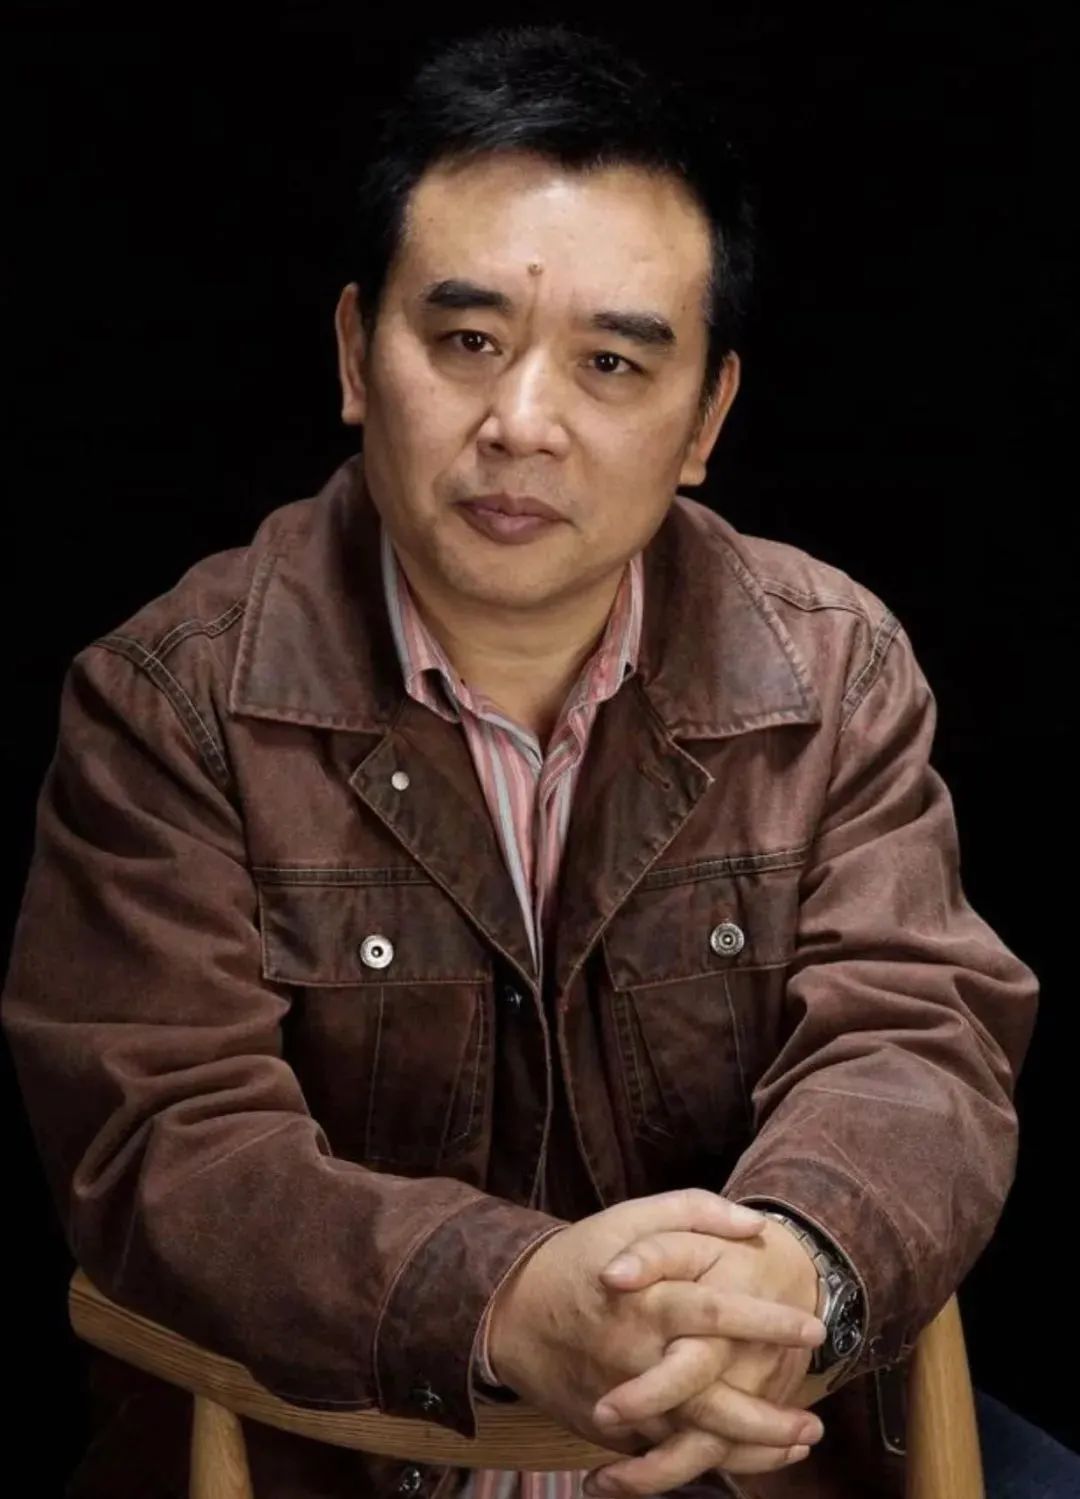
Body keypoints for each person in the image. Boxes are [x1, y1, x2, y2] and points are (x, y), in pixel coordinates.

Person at [3, 22, 1074, 1499]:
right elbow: (168, 1146)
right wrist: (504, 1300)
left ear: (704, 418)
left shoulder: (831, 669)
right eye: (466, 342)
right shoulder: (171, 700)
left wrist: (794, 1266)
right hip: (336, 1460)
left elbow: (920, 1037)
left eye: (612, 363)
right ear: (355, 355)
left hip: (760, 1453)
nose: (521, 424)